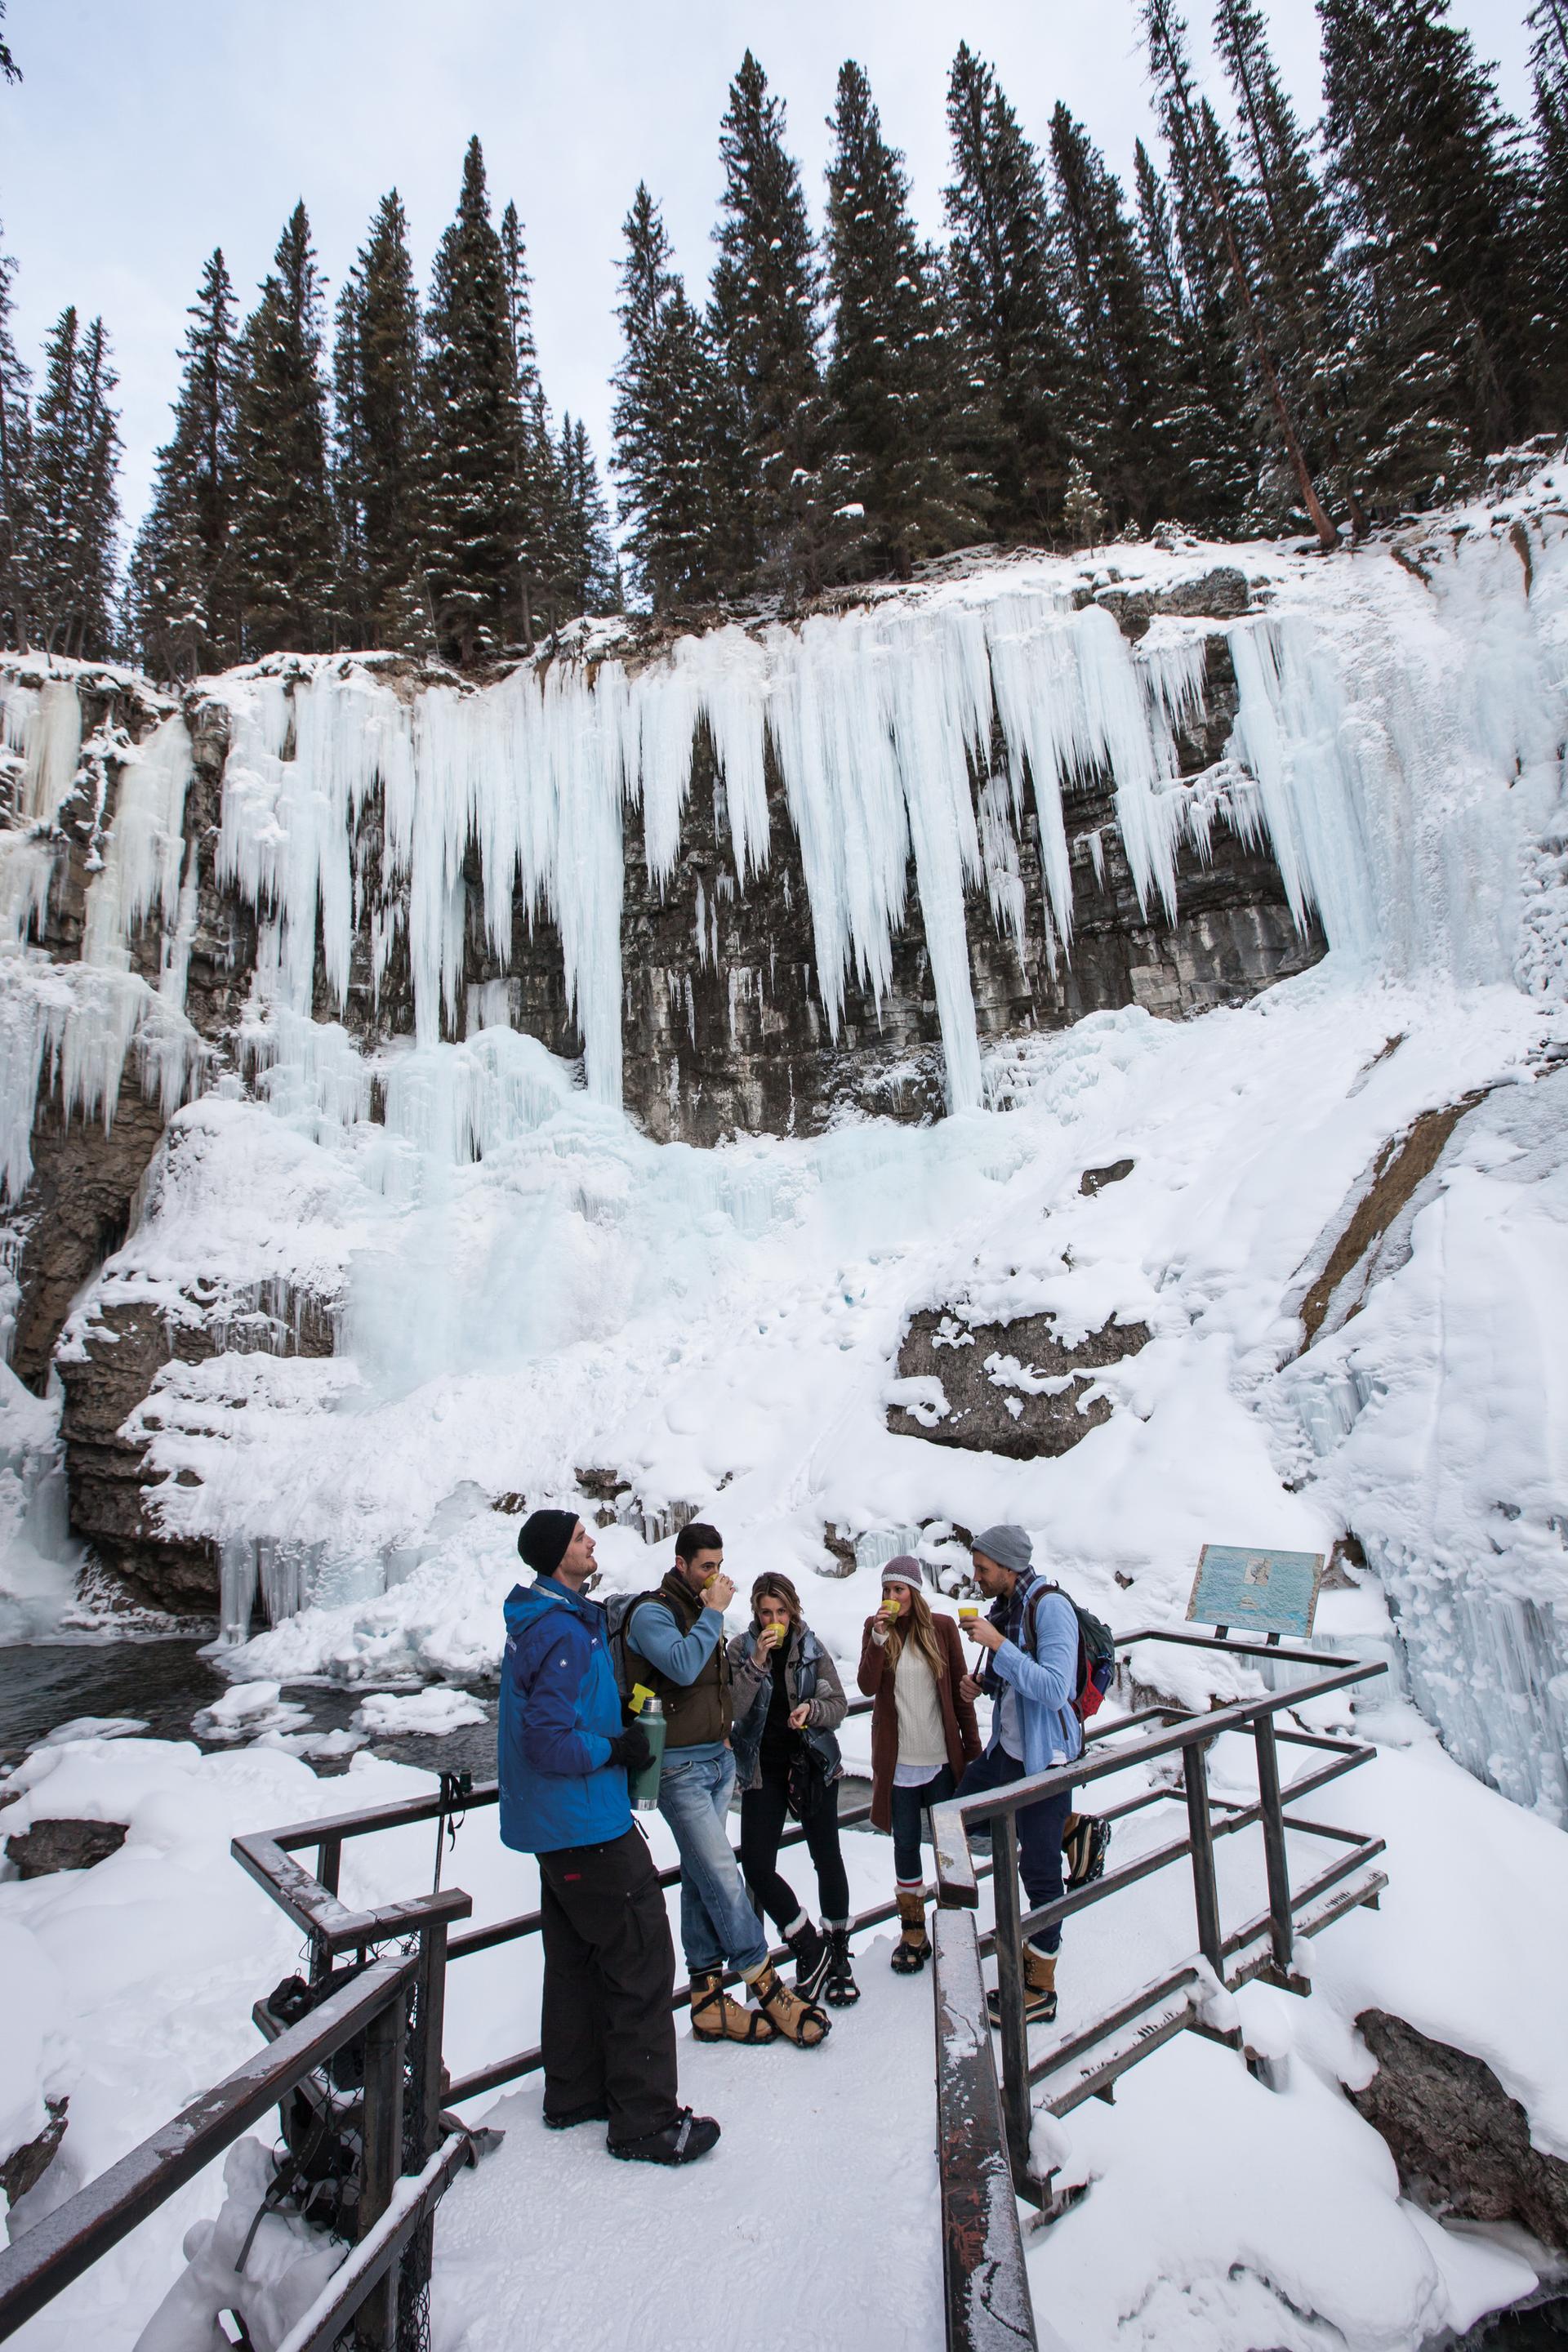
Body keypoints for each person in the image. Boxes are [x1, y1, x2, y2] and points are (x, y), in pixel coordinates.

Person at [497, 1508, 719, 2165]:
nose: (591, 1542)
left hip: (553, 1827)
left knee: (575, 1960)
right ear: (554, 1555)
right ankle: (646, 2121)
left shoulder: (541, 1621)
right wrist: (615, 1748)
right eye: (578, 1537)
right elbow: (548, 1740)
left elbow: (554, 1712)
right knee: (642, 1957)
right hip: (585, 1822)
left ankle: (574, 2093)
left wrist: (610, 1715)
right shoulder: (561, 1631)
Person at [625, 1521, 829, 2048]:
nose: (717, 1575)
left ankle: (707, 1998)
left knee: (699, 1881)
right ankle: (766, 1983)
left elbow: (725, 1701)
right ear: (681, 1564)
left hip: (716, 1764)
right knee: (723, 1874)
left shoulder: (702, 1616)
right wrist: (720, 1617)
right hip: (677, 1769)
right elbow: (682, 1667)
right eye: (706, 1567)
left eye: (720, 1564)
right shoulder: (655, 1613)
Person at [955, 1524, 1082, 2025]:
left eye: (983, 1569)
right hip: (1007, 1750)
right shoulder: (1008, 1607)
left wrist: (997, 1648)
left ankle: (1038, 1987)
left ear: (1009, 1566)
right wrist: (982, 1682)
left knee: (1039, 1874)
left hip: (1044, 1758)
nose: (977, 1577)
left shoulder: (1050, 1607)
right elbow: (1016, 1677)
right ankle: (1069, 1830)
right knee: (958, 1817)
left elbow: (1053, 1689)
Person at [729, 1572, 858, 2008]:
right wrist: (757, 1664)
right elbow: (734, 1709)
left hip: (811, 1762)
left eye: (781, 1611)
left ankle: (839, 1953)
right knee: (758, 1865)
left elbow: (838, 1706)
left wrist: (812, 1709)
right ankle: (808, 1944)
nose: (773, 1619)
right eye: (766, 1612)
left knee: (826, 1856)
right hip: (763, 1768)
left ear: (793, 1610)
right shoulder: (739, 1650)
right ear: (755, 1613)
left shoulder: (812, 1648)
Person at [858, 1557, 980, 1975]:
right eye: (887, 1591)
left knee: (950, 1848)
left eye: (899, 1590)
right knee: (905, 1845)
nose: (892, 1598)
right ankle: (913, 1931)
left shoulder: (942, 1628)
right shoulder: (875, 1630)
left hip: (942, 1760)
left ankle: (953, 1925)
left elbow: (962, 1695)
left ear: (915, 1592)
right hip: (900, 1764)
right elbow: (867, 1686)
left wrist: (974, 1752)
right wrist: (876, 1638)